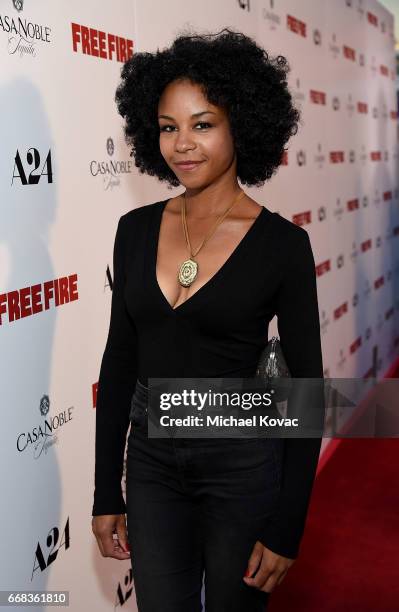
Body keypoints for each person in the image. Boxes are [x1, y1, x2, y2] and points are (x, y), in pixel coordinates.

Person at [91, 27, 324, 612]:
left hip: (242, 464)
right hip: (150, 466)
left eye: (203, 123)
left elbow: (304, 390)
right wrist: (103, 492)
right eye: (169, 127)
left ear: (241, 124)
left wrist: (288, 525)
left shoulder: (282, 245)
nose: (182, 145)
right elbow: (120, 360)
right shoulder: (135, 230)